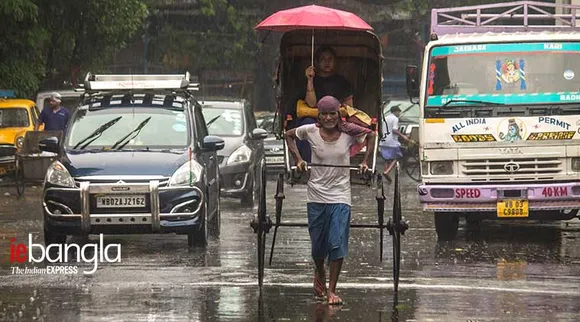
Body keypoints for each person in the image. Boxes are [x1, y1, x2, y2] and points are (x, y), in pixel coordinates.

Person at [285, 96, 377, 305]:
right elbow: (288, 136)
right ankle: (320, 272)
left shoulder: (348, 133)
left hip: (340, 195)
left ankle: (332, 291)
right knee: (318, 247)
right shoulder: (310, 131)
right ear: (319, 116)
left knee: (336, 242)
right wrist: (298, 160)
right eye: (324, 114)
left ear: (338, 115)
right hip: (316, 194)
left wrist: (365, 161)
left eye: (332, 114)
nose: (328, 118)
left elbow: (372, 135)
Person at [295, 46, 355, 162]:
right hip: (315, 118)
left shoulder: (343, 82)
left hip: (337, 119)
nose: (326, 62)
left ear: (335, 62)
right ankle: (307, 163)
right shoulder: (311, 80)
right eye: (323, 59)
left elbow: (349, 108)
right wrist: (310, 80)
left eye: (330, 59)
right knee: (306, 126)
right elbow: (311, 104)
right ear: (317, 62)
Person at [380, 105, 413, 182]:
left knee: (386, 158)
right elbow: (394, 130)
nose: (399, 114)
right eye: (399, 112)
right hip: (392, 141)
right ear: (396, 112)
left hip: (383, 140)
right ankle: (387, 171)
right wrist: (403, 136)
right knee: (397, 156)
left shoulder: (384, 118)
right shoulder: (395, 119)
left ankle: (386, 172)